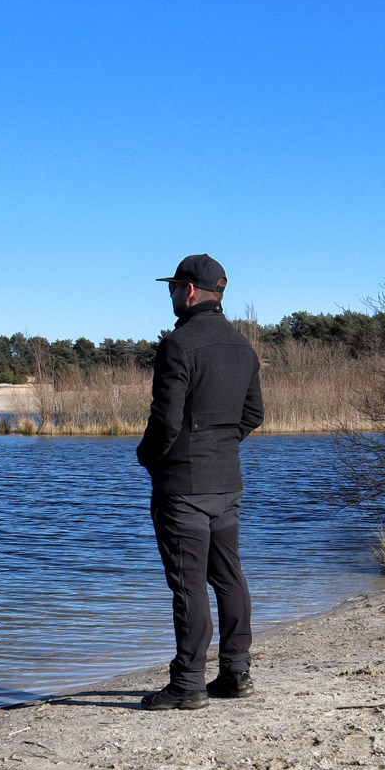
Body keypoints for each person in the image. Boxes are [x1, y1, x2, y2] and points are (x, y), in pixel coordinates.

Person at [134, 253, 264, 711]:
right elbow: (253, 415)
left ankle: (188, 683)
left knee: (189, 583)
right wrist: (221, 445)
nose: (170, 295)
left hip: (183, 489)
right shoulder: (242, 347)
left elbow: (165, 422)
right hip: (227, 483)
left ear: (189, 291)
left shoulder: (178, 344)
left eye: (172, 287)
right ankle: (236, 673)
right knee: (227, 575)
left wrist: (147, 458)